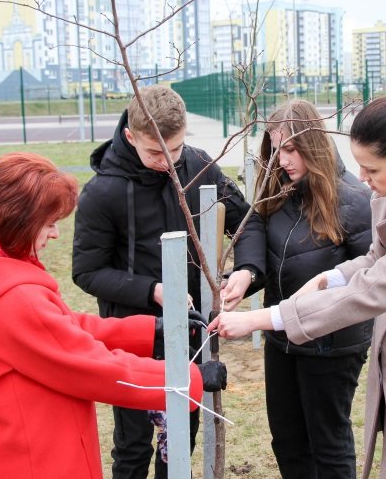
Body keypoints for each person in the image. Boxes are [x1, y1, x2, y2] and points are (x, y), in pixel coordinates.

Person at [210, 95, 386, 479]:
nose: (361, 177)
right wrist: (330, 277)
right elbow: (376, 259)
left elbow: (369, 292)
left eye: (371, 168)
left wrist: (260, 318)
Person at [0, 152, 228, 479]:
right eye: (49, 223)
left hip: (10, 444)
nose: (54, 234)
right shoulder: (14, 300)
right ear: (19, 222)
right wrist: (186, 378)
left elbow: (61, 328)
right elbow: (95, 367)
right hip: (37, 459)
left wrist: (149, 330)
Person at [72, 85, 263, 479]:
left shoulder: (198, 167)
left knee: (180, 440)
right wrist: (154, 291)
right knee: (133, 444)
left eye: (175, 149)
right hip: (132, 338)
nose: (169, 162)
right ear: (130, 136)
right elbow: (87, 271)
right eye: (155, 152)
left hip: (190, 338)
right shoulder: (102, 193)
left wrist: (246, 272)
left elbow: (248, 223)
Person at [220, 99, 373, 478]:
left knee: (327, 443)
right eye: (275, 149)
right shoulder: (278, 189)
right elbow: (255, 224)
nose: (281, 159)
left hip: (330, 346)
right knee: (287, 440)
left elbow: (367, 277)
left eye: (290, 149)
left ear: (313, 145)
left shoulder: (353, 201)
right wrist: (247, 271)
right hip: (281, 338)